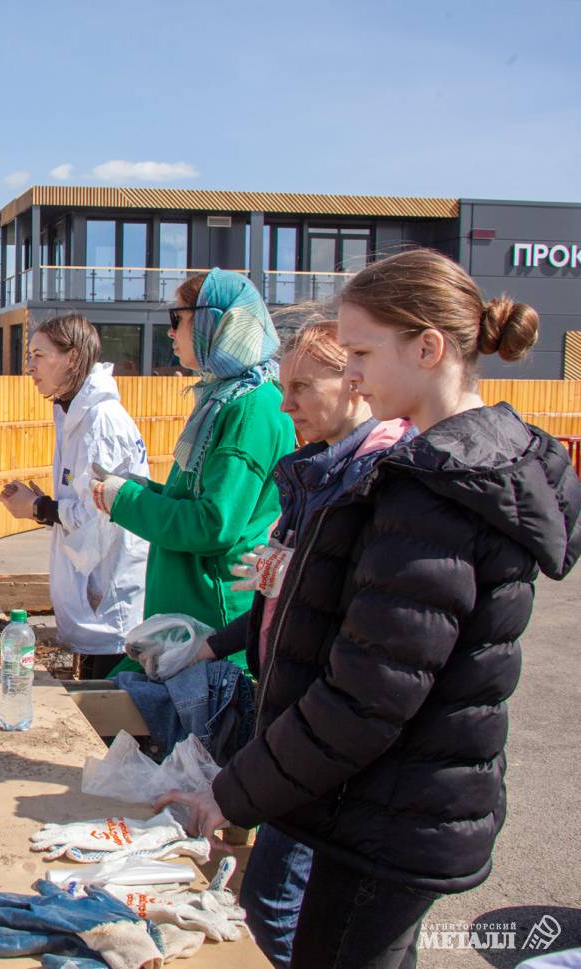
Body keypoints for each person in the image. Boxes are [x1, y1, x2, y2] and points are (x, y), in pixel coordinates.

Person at [159, 248, 580, 969]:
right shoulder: (453, 473)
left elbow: (368, 692)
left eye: (360, 351)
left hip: (394, 806)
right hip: (404, 800)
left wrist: (234, 791)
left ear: (428, 347)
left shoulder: (435, 492)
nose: (349, 373)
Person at [197, 317, 413, 968]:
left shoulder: (371, 479)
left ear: (354, 382)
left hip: (322, 739)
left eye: (299, 387)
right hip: (297, 722)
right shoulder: (315, 475)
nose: (284, 402)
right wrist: (218, 639)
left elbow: (369, 632)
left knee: (279, 901)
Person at [90, 268, 294, 671]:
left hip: (210, 624)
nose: (170, 332)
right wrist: (144, 489)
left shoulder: (248, 409)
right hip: (192, 612)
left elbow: (214, 524)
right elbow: (202, 498)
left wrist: (128, 500)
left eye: (177, 319)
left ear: (214, 323)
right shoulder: (226, 397)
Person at [0, 314, 150, 678]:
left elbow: (99, 513)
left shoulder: (100, 421)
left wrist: (38, 507)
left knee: (111, 718)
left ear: (72, 358)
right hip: (98, 601)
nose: (29, 367)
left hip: (111, 606)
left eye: (38, 355)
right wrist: (41, 506)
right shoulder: (74, 413)